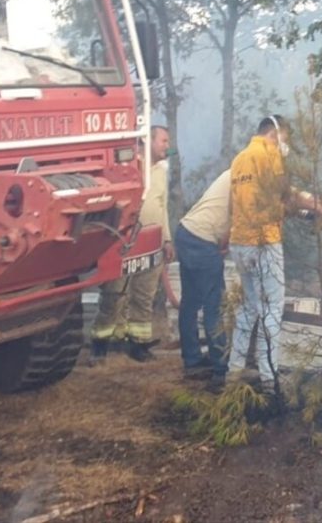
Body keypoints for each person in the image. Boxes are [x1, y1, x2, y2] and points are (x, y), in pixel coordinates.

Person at [228, 115, 322, 391]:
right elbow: (285, 195)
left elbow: (251, 201)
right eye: (285, 138)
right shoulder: (269, 154)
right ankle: (270, 379)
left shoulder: (240, 159)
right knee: (272, 311)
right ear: (275, 134)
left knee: (249, 308)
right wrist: (315, 207)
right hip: (265, 243)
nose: (286, 145)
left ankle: (233, 372)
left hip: (239, 242)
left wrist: (302, 212)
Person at [90, 125, 174, 363]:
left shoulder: (160, 172)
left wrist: (166, 239)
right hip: (124, 242)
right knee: (114, 294)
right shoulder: (126, 169)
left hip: (152, 243)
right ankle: (100, 345)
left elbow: (162, 207)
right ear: (148, 143)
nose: (167, 146)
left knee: (144, 295)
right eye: (164, 141)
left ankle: (138, 345)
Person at [174, 170, 231, 387]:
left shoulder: (230, 174)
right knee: (213, 303)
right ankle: (220, 369)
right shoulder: (249, 178)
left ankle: (192, 361)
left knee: (190, 301)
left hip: (186, 231)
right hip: (203, 239)